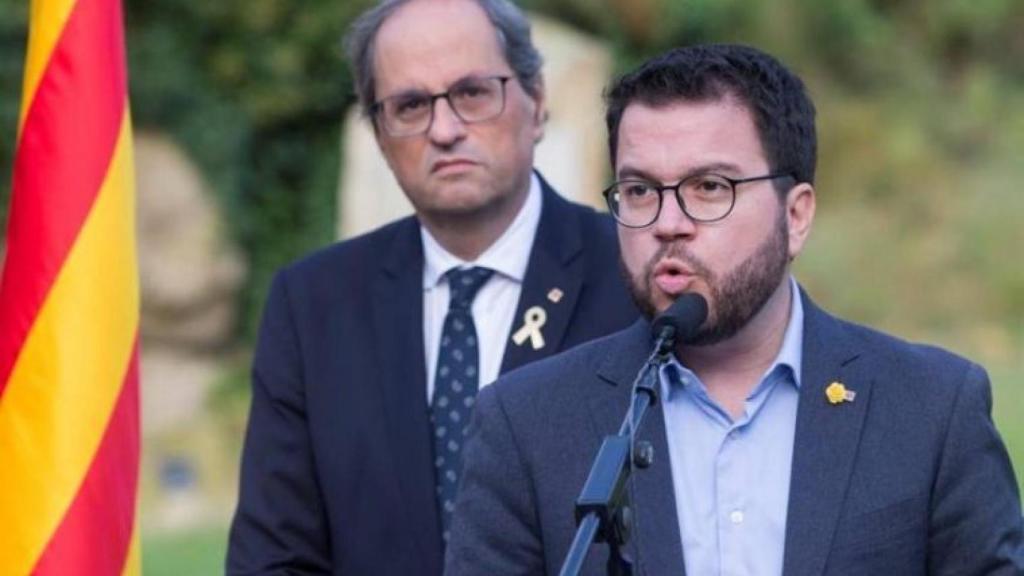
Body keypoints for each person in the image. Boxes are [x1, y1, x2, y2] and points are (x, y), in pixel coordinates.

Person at [446, 44, 1024, 575]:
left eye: (710, 187)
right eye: (641, 190)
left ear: (795, 216)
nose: (669, 223)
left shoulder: (931, 409)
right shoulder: (524, 425)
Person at [225, 1, 638, 574]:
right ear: (378, 131)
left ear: (537, 101)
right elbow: (274, 556)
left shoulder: (637, 275)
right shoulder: (315, 305)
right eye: (410, 105)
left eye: (472, 93)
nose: (444, 130)